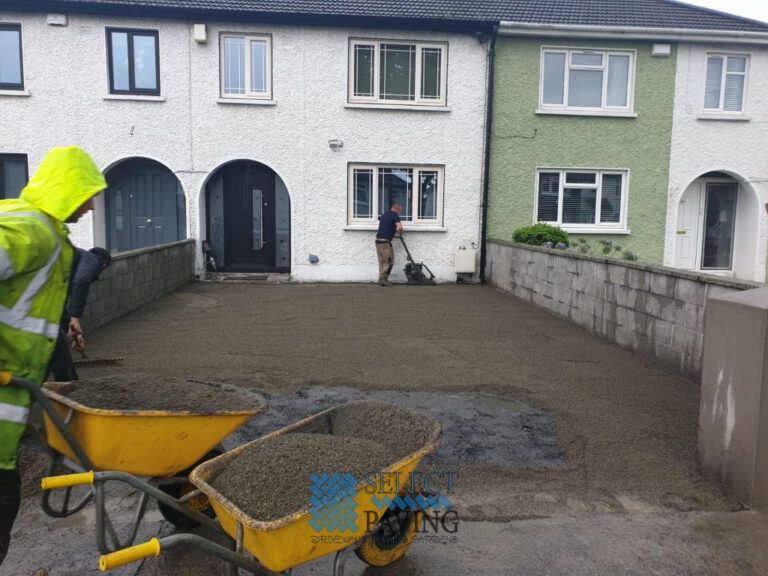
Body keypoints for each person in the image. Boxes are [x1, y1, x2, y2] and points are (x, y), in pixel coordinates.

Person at [0, 146, 106, 565]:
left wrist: (67, 324)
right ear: (67, 190)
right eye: (87, 193)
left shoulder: (35, 226)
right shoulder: (34, 232)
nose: (91, 204)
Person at [47, 246, 112, 381]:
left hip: (38, 309)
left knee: (53, 355)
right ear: (103, 265)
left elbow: (58, 308)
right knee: (59, 357)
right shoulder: (91, 260)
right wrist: (75, 318)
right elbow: (82, 281)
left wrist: (75, 334)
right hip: (35, 312)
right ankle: (70, 393)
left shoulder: (71, 263)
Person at [375, 203, 404, 286]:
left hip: (378, 241)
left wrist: (393, 235)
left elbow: (385, 228)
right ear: (397, 209)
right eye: (400, 211)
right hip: (385, 243)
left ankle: (381, 278)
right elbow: (400, 227)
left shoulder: (385, 214)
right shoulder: (395, 215)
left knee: (382, 261)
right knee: (389, 261)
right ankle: (384, 279)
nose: (400, 213)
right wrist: (400, 235)